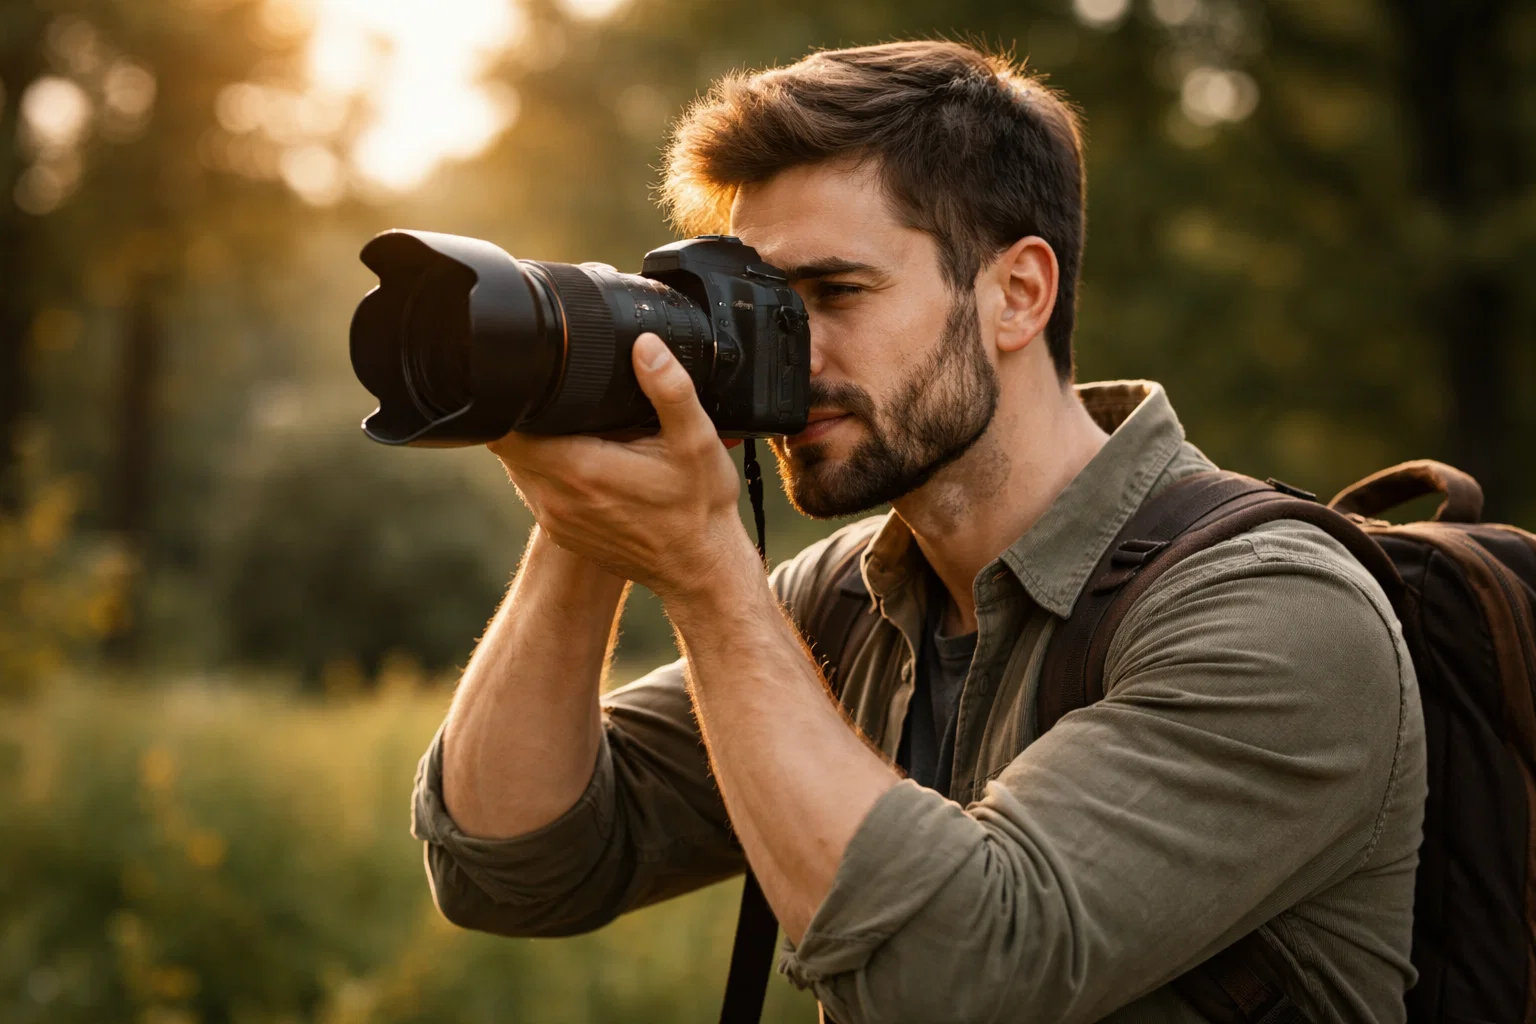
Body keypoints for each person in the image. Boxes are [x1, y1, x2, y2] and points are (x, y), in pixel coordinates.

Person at [409, 41, 1425, 1023]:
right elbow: (510, 864)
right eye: (763, 304)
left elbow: (964, 972)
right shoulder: (848, 605)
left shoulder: (1278, 612)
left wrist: (708, 577)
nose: (786, 352)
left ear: (1017, 295)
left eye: (833, 293)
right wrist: (587, 517)